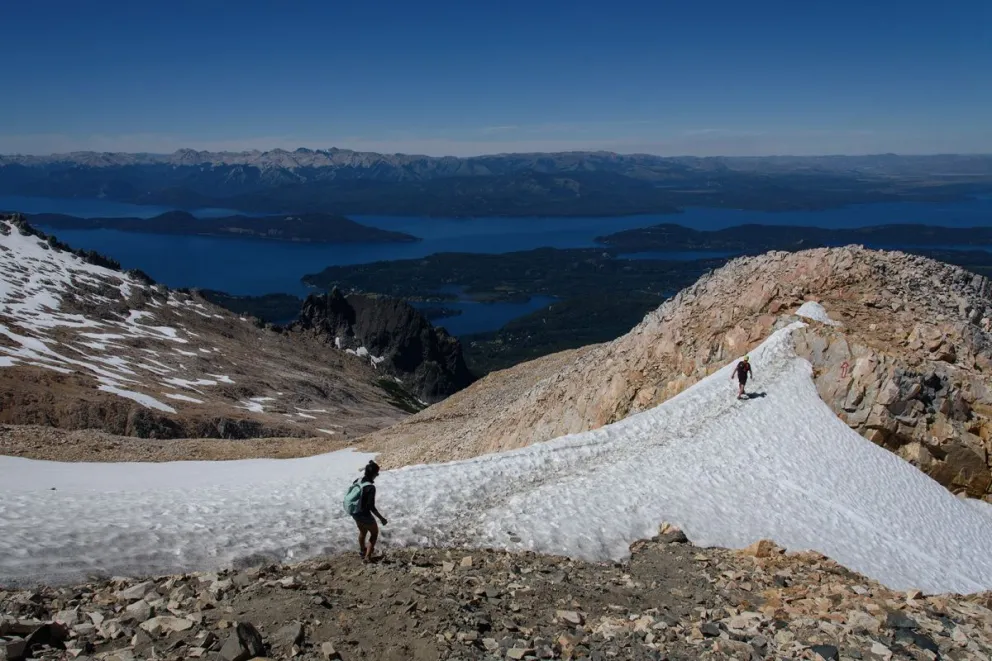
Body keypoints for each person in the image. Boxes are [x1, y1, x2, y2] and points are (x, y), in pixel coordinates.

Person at [350, 460, 387, 562]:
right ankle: (367, 557)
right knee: (374, 533)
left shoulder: (357, 480)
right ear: (373, 474)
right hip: (364, 514)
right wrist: (382, 518)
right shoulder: (370, 487)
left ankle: (362, 552)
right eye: (377, 474)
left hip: (355, 512)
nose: (377, 476)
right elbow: (371, 507)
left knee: (362, 532)